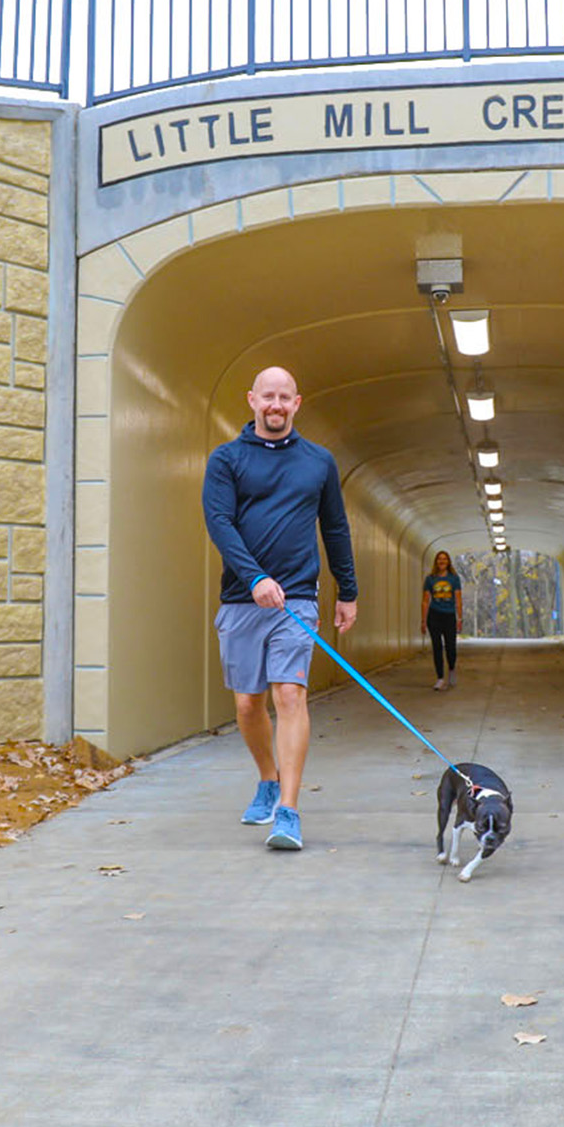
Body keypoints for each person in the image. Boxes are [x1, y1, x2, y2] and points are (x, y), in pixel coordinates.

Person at [201, 365, 359, 852]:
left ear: (297, 402)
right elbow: (220, 522)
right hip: (242, 598)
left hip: (298, 598)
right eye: (267, 396)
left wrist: (347, 590)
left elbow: (335, 527)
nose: (275, 405)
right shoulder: (226, 459)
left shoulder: (319, 462)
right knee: (249, 702)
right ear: (252, 400)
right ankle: (267, 780)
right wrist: (254, 577)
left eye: (284, 397)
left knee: (289, 695)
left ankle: (288, 811)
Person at [421, 550, 461, 690]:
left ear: (448, 562)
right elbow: (425, 601)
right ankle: (440, 678)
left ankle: (451, 669)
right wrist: (423, 620)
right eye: (439, 559)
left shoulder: (454, 579)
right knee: (437, 647)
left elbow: (458, 599)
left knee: (451, 647)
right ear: (436, 562)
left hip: (449, 616)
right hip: (434, 616)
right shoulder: (430, 579)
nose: (442, 561)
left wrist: (459, 618)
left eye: (444, 559)